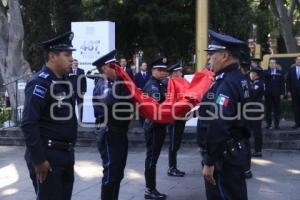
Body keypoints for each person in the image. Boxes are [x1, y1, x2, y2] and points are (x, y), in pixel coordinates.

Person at [21, 31, 77, 200]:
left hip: (65, 153)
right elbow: (28, 123)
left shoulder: (64, 81)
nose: (71, 59)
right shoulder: (40, 82)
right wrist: (39, 160)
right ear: (52, 56)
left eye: (71, 55)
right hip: (48, 156)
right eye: (66, 55)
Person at [197, 30, 250, 200]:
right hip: (234, 152)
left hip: (224, 158)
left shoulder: (227, 82)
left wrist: (209, 161)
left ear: (225, 55)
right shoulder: (238, 78)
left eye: (212, 54)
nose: (209, 58)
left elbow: (219, 124)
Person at [92, 50, 133, 200]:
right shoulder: (102, 83)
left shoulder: (118, 83)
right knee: (111, 173)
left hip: (120, 132)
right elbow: (109, 101)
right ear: (104, 69)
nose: (117, 68)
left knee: (118, 173)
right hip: (109, 134)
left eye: (116, 65)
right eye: (113, 65)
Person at [143, 56, 168, 199]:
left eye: (165, 70)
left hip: (158, 126)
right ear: (153, 71)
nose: (163, 72)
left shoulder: (159, 84)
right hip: (153, 127)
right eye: (160, 70)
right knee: (151, 158)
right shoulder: (152, 86)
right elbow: (160, 105)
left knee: (153, 158)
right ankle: (149, 189)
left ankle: (151, 188)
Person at [166, 63, 186, 177]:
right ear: (174, 73)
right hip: (173, 117)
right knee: (173, 143)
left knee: (176, 142)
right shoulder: (168, 83)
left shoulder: (180, 82)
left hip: (181, 116)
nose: (181, 73)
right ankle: (171, 168)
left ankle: (173, 167)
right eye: (179, 72)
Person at [249, 66, 265, 157]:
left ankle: (258, 151)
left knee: (257, 131)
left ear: (255, 74)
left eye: (251, 73)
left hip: (255, 110)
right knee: (253, 130)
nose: (250, 74)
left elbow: (252, 93)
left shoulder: (258, 83)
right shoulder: (253, 82)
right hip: (252, 109)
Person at [264, 59, 285, 129]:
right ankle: (268, 124)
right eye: (270, 63)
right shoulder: (266, 72)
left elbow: (282, 83)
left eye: (273, 63)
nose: (272, 64)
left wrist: (282, 93)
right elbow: (264, 81)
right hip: (268, 94)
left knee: (277, 109)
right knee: (268, 110)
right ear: (269, 64)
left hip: (277, 93)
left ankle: (277, 124)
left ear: (276, 64)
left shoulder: (280, 72)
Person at [134, 62, 151, 126]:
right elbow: (135, 85)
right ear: (140, 67)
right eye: (143, 65)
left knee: (147, 108)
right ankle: (141, 123)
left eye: (146, 65)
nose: (145, 67)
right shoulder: (137, 75)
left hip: (147, 94)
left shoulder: (149, 75)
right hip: (140, 95)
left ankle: (147, 122)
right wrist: (137, 89)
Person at [286, 56, 300, 129]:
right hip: (294, 92)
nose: (298, 61)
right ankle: (297, 123)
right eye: (297, 60)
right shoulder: (291, 70)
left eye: (299, 60)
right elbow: (288, 81)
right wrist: (288, 91)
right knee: (296, 108)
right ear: (295, 61)